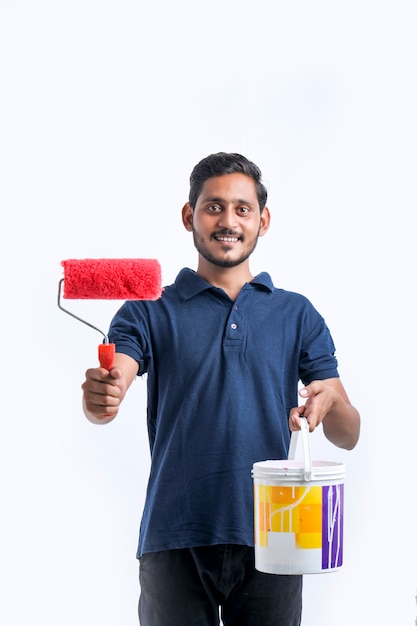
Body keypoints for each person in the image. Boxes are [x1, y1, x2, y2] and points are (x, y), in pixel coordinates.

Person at [81, 152, 360, 626]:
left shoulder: (296, 314)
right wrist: (105, 393)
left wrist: (329, 402)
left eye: (242, 208)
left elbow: (348, 432)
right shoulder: (149, 310)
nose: (227, 221)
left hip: (277, 535)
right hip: (175, 536)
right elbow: (116, 379)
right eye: (213, 207)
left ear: (262, 220)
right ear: (189, 215)